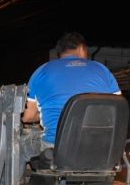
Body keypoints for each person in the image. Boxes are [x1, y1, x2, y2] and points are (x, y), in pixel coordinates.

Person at [21, 32, 122, 172]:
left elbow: (28, 116)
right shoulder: (102, 70)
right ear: (81, 49)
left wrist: (49, 113)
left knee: (18, 145)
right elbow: (116, 108)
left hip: (56, 148)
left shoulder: (42, 71)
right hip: (101, 147)